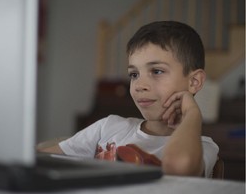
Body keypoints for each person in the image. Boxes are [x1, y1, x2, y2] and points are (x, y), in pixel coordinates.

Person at [37, 21, 219, 177]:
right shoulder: (108, 128)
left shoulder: (203, 147)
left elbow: (179, 165)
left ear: (194, 82)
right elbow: (39, 158)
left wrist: (192, 113)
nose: (139, 85)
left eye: (157, 71)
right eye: (134, 74)